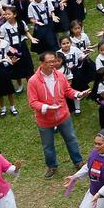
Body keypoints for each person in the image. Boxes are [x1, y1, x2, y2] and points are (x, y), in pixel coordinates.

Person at [26, 50, 87, 178]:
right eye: (49, 62)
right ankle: (51, 166)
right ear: (41, 63)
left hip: (63, 115)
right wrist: (47, 107)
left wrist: (78, 94)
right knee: (48, 145)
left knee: (71, 139)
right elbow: (33, 102)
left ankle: (78, 162)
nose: (52, 64)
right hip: (44, 120)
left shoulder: (60, 75)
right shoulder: (33, 81)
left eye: (54, 61)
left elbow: (67, 90)